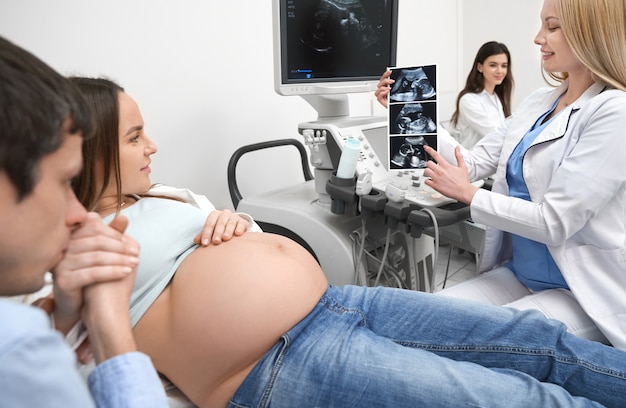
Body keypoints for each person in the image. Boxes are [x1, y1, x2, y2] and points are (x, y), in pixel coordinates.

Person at [69, 71, 626, 408]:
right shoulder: (66, 244)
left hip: (337, 303)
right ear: (85, 151)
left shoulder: (167, 195)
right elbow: (71, 333)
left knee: (535, 341)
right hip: (272, 362)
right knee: (518, 399)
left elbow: (248, 242)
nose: (154, 147)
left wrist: (240, 226)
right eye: (136, 136)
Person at [417, 0, 626, 349]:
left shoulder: (614, 111)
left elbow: (554, 222)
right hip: (520, 274)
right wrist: (410, 112)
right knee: (426, 317)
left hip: (579, 292)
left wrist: (470, 194)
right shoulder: (540, 102)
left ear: (591, 33)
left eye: (552, 27)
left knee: (464, 345)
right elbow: (468, 162)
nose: (537, 38)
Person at [0, 36, 167, 406]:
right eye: (63, 182)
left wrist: (61, 323)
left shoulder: (166, 196)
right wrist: (109, 324)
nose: (77, 214)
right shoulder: (17, 342)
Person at [376, 41, 513, 150]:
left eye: (504, 66)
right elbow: (496, 134)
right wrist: (395, 105)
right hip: (471, 168)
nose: (499, 71)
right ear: (480, 67)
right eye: (493, 65)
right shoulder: (469, 100)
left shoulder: (496, 97)